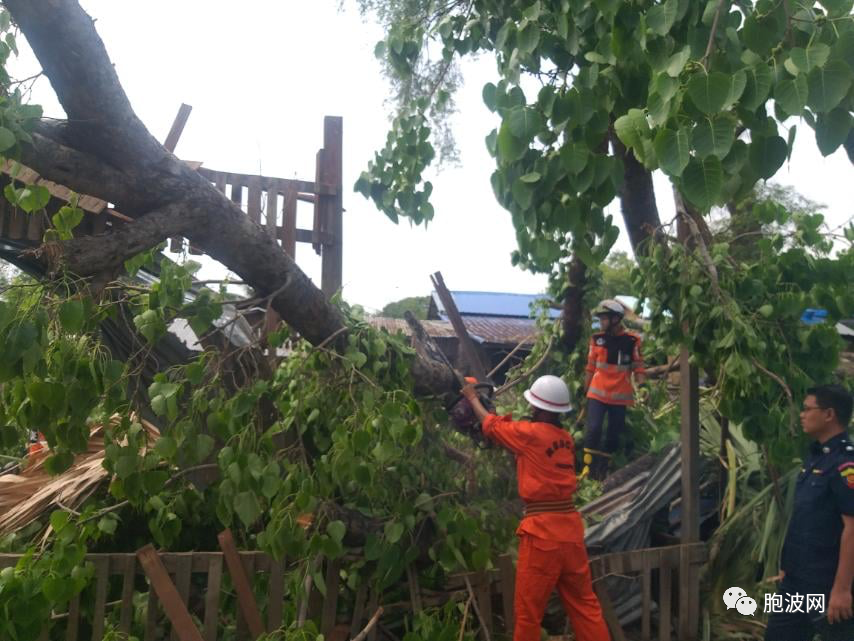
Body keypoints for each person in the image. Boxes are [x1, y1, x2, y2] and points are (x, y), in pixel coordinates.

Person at [461, 374, 611, 641]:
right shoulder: (565, 439)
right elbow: (522, 440)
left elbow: (491, 426)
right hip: (571, 532)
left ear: (539, 408)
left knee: (528, 614)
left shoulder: (529, 435)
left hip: (542, 535)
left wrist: (472, 398)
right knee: (585, 606)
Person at [765, 384, 854, 641]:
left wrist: (842, 589)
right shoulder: (815, 458)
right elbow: (807, 520)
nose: (802, 415)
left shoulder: (845, 464)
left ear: (829, 414)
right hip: (796, 584)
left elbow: (852, 527)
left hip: (826, 586)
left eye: (807, 409)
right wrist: (788, 568)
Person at [581, 299, 645, 481]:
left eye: (604, 318)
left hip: (620, 397)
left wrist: (643, 386)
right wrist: (584, 392)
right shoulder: (596, 339)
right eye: (600, 319)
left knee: (613, 435)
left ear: (616, 319)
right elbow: (590, 368)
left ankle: (603, 472)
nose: (601, 322)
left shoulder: (632, 341)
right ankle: (587, 470)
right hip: (597, 394)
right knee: (593, 429)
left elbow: (638, 366)